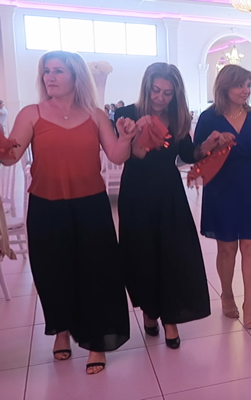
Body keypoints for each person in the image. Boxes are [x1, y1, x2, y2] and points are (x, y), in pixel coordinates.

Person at [1, 51, 135, 374]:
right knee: (53, 273)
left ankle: (96, 342)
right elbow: (10, 157)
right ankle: (61, 330)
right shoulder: (31, 114)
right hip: (46, 207)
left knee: (97, 273)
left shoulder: (95, 115)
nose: (50, 77)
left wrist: (126, 137)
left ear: (76, 76)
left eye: (58, 71)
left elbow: (116, 156)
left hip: (91, 207)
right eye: (46, 71)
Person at [116, 63, 223, 349]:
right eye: (156, 91)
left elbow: (187, 154)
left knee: (173, 254)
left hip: (168, 193)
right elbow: (127, 156)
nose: (160, 98)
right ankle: (150, 310)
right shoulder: (127, 114)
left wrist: (208, 145)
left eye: (167, 93)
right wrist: (137, 134)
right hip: (136, 193)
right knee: (142, 253)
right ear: (146, 87)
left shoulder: (177, 118)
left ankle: (170, 320)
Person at [194, 65, 251, 329]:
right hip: (221, 188)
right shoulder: (209, 118)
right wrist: (209, 146)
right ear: (224, 86)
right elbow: (196, 155)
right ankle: (227, 294)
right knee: (226, 249)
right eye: (240, 85)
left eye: (248, 85)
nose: (246, 90)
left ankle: (249, 303)